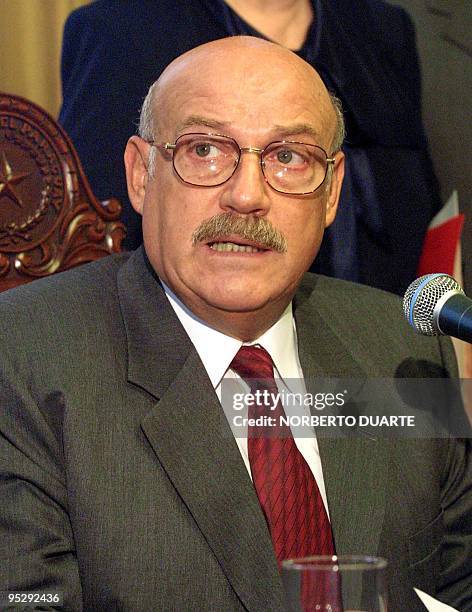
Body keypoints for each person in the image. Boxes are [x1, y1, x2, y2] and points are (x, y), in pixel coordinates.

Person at [1, 38, 470, 611]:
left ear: (331, 192)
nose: (246, 196)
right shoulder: (22, 359)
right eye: (204, 150)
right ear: (141, 175)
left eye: (288, 158)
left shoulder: (401, 346)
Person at [59, 0, 442, 295]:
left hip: (378, 357)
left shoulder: (384, 30)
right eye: (205, 149)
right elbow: (89, 229)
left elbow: (422, 207)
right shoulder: (122, 28)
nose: (247, 194)